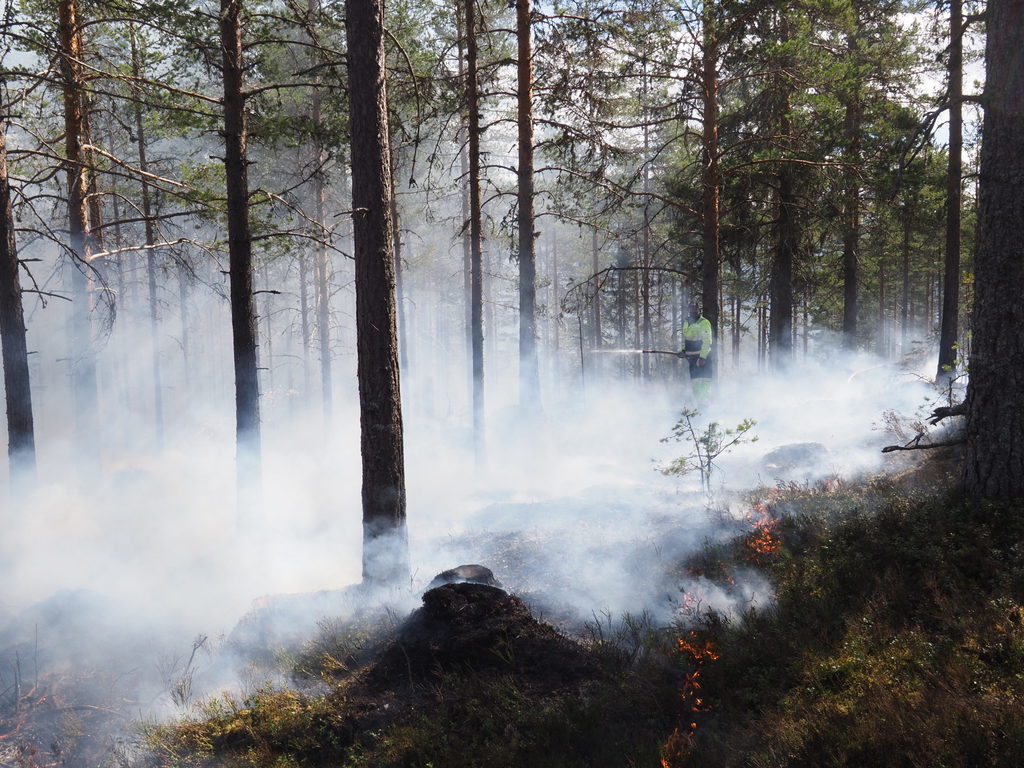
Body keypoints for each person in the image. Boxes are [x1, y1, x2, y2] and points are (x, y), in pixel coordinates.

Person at [679, 302, 713, 407]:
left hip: (702, 359)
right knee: (696, 384)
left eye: (694, 308)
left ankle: (705, 408)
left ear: (698, 309)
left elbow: (707, 341)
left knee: (704, 383)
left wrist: (702, 357)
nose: (692, 310)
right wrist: (683, 351)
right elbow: (686, 339)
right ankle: (700, 407)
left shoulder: (703, 322)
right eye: (690, 308)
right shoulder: (686, 322)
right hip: (692, 359)